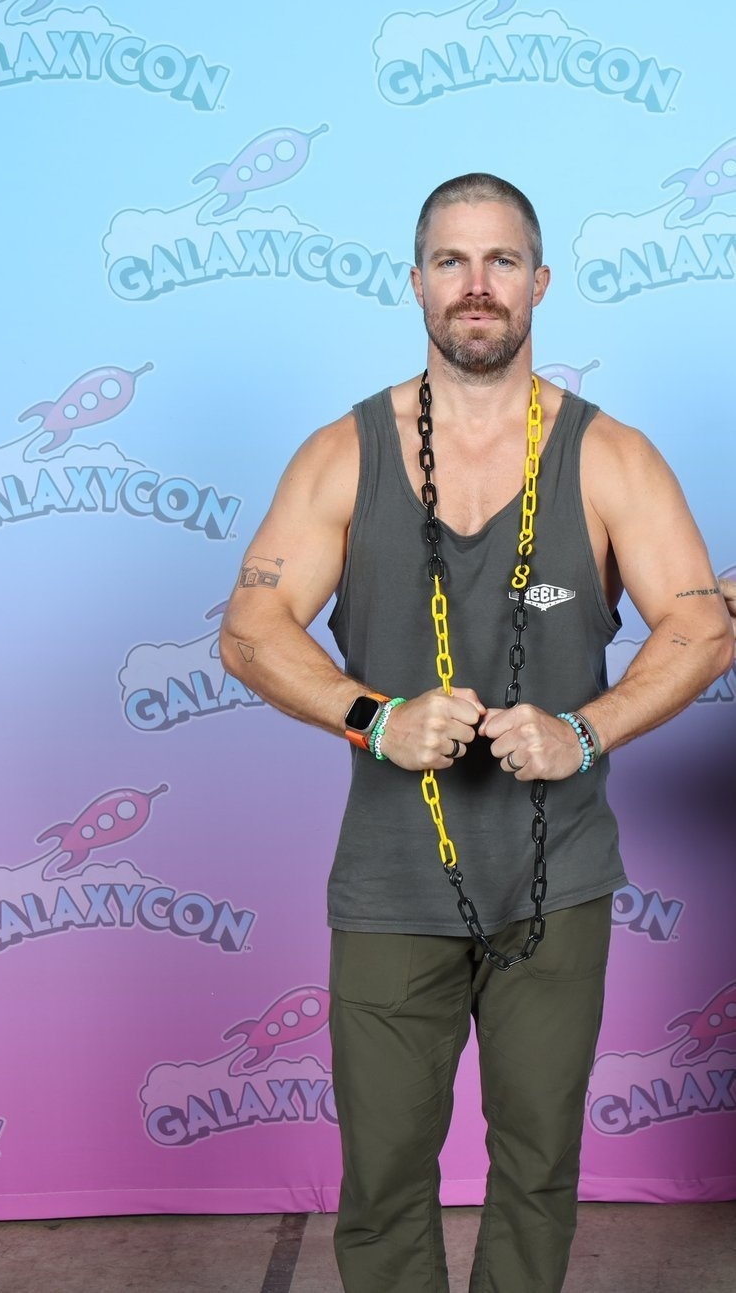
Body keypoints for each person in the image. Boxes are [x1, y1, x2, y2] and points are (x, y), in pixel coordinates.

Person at [220, 173, 732, 1293]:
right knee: (384, 1178)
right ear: (416, 283)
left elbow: (701, 627)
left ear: (539, 282)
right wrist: (377, 718)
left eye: (501, 260)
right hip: (391, 884)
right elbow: (251, 629)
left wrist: (584, 733)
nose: (477, 285)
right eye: (451, 261)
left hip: (558, 882)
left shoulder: (611, 456)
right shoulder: (342, 453)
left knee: (539, 1167)